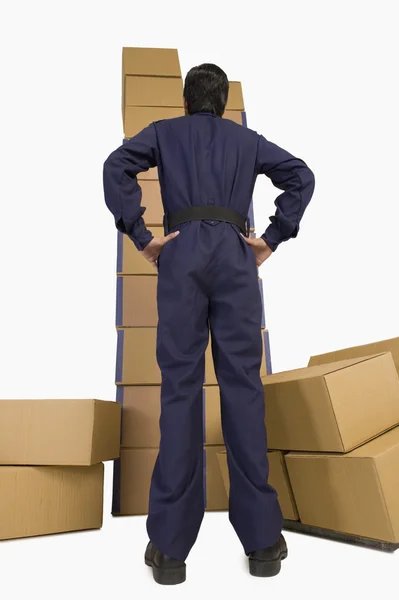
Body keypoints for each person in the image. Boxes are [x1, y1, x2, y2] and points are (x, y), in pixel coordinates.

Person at [103, 63, 315, 585]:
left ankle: (170, 550)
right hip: (235, 255)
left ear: (185, 98)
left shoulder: (164, 133)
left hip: (180, 258)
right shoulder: (246, 140)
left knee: (180, 390)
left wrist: (143, 235)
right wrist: (271, 236)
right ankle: (264, 543)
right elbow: (301, 176)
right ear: (222, 102)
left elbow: (115, 166)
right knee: (243, 387)